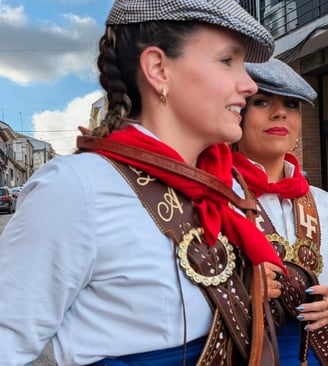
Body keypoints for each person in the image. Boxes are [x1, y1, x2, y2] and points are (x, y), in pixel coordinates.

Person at [0, 1, 286, 365]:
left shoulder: (226, 187)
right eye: (227, 61)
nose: (248, 85)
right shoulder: (77, 189)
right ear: (158, 69)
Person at [231, 58, 328, 365]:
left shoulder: (322, 203)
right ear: (236, 113)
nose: (281, 112)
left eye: (292, 104)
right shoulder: (215, 195)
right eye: (262, 101)